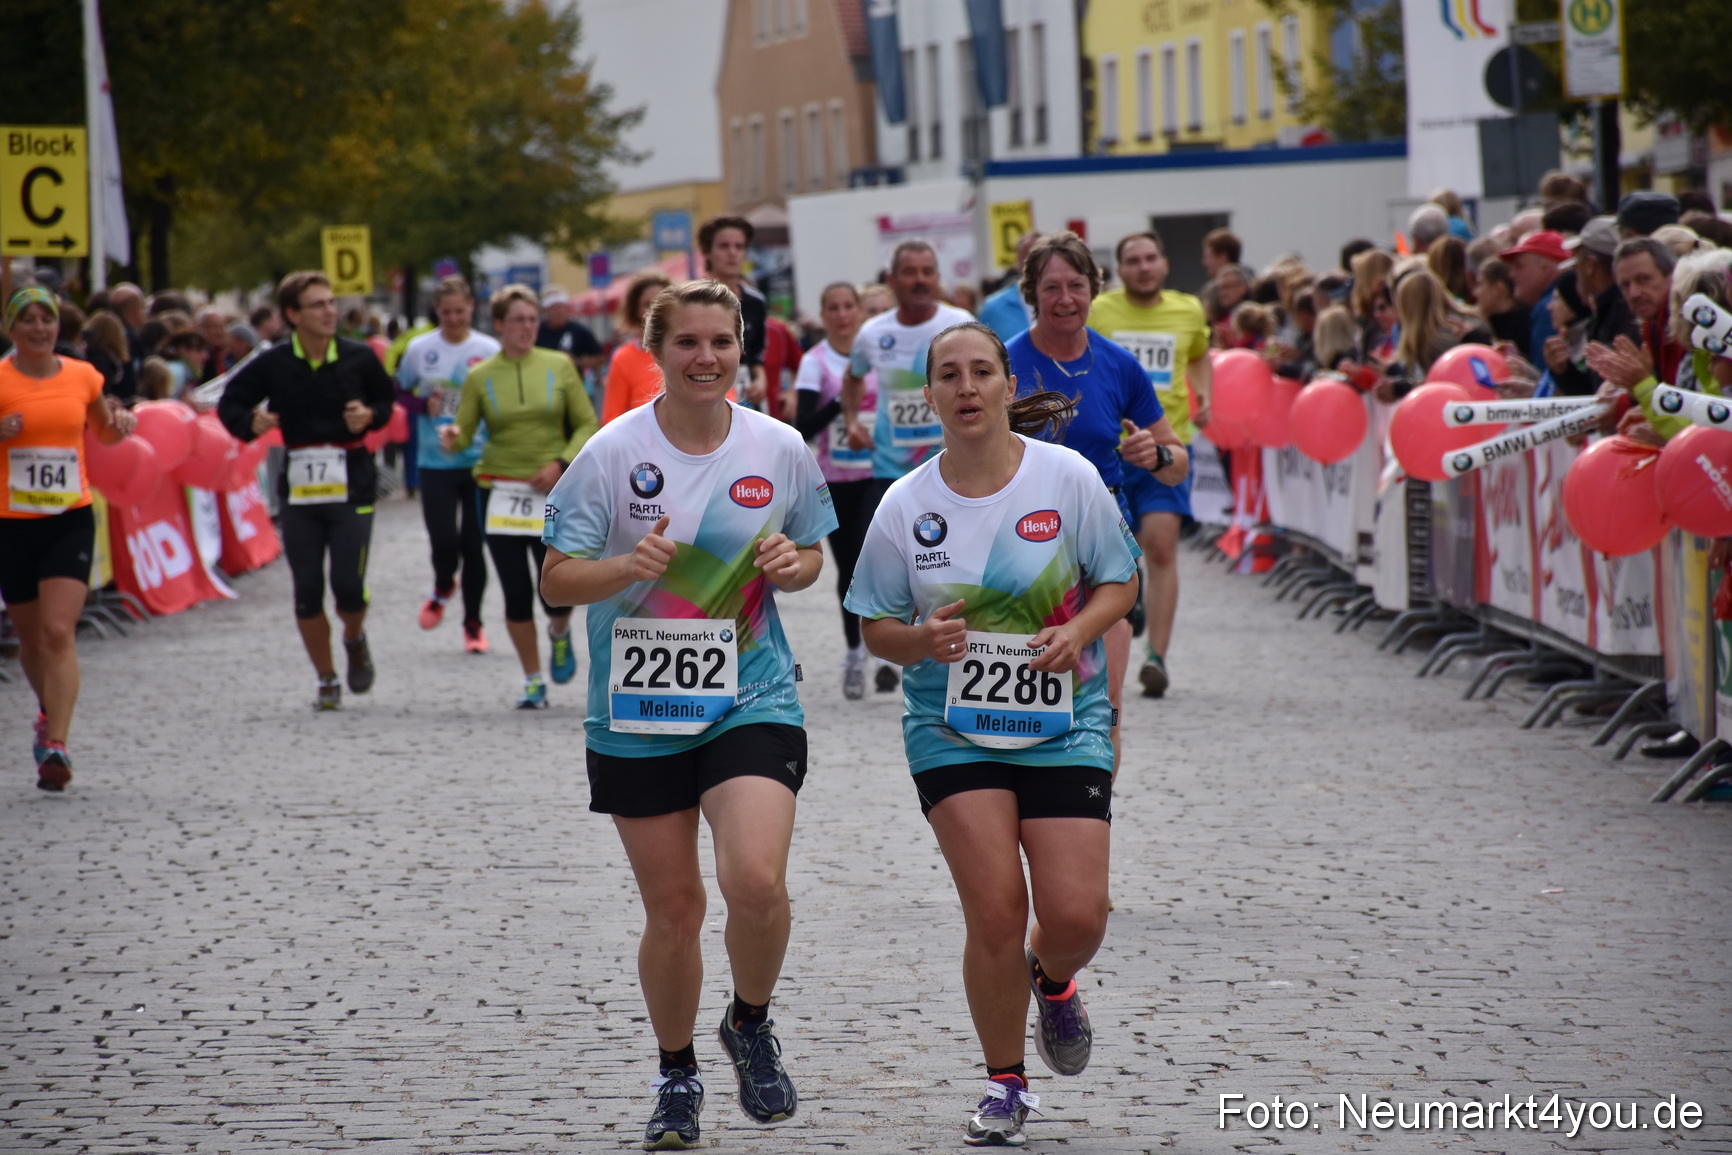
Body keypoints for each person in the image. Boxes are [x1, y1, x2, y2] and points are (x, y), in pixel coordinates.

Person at [539, 279, 836, 1151]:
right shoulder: (610, 452)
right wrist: (627, 561)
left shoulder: (778, 448)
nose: (706, 357)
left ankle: (749, 1020)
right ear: (655, 351)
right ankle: (677, 1073)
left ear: (742, 347)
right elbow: (554, 577)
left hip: (752, 692)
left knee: (756, 882)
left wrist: (793, 562)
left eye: (722, 341)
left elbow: (814, 552)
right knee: (674, 908)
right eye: (687, 343)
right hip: (637, 707)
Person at [845, 320, 1140, 1148]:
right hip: (952, 727)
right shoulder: (906, 503)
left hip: (1063, 717)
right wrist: (920, 640)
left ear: (1009, 384)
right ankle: (1004, 1082)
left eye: (982, 371)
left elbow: (1120, 580)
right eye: (950, 375)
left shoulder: (1067, 477)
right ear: (929, 394)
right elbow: (875, 627)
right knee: (996, 909)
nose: (967, 387)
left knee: (1077, 914)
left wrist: (1080, 630)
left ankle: (1054, 979)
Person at [1008, 232, 1188, 769]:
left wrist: (1152, 454)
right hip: (1023, 541)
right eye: (1052, 287)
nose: (1065, 299)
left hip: (1103, 540)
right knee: (1029, 696)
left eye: (1076, 286)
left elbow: (1178, 460)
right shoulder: (1004, 364)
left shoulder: (1119, 365)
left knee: (1105, 706)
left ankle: (1090, 816)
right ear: (1032, 293)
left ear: (1094, 289)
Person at [218, 272, 394, 709]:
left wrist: (368, 415)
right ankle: (326, 678)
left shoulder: (358, 357)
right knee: (308, 588)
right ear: (292, 315)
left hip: (352, 482)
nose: (330, 311)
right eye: (318, 305)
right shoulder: (274, 363)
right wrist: (249, 423)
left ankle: (354, 639)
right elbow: (230, 402)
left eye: (331, 302)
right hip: (300, 490)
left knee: (349, 586)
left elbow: (387, 402)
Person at [0, 287, 138, 790]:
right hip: (12, 522)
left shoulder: (82, 375)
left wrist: (121, 423)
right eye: (28, 319)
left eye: (47, 319)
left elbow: (102, 431)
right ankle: (45, 711)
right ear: (11, 327)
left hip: (69, 517)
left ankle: (56, 743)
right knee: (32, 640)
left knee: (60, 631)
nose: (39, 328)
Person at [439, 285, 597, 709]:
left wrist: (560, 463)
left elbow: (586, 423)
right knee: (515, 589)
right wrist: (452, 437)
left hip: (553, 491)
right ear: (499, 325)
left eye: (532, 320)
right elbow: (465, 431)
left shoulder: (560, 364)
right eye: (518, 321)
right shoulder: (480, 375)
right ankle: (532, 680)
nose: (527, 328)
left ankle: (559, 633)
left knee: (555, 584)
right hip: (499, 491)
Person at [840, 239, 974, 694]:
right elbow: (853, 375)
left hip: (952, 470)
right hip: (889, 470)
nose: (920, 280)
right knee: (881, 561)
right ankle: (885, 645)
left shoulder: (959, 324)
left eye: (928, 271)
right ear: (891, 280)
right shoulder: (873, 332)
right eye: (910, 272)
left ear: (938, 277)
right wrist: (851, 419)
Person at [1088, 230, 1213, 698]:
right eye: (1132, 260)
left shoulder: (1188, 310)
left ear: (1164, 263)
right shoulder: (1100, 312)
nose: (1142, 267)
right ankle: (1129, 596)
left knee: (1161, 546)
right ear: (1119, 271)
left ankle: (1156, 657)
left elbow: (1200, 355)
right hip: (1112, 450)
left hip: (1166, 446)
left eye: (1150, 258)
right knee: (1120, 551)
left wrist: (1208, 397)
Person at [395, 275, 500, 653]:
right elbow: (399, 392)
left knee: (474, 546)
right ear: (437, 311)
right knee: (443, 542)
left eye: (460, 311)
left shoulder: (488, 348)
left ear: (471, 307)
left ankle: (473, 624)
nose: (454, 318)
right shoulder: (419, 349)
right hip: (433, 460)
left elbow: (498, 397)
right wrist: (424, 406)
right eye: (446, 312)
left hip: (477, 460)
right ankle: (442, 584)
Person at [793, 282, 876, 698]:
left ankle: (892, 646)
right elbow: (802, 427)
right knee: (851, 569)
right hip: (837, 479)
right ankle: (856, 653)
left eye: (849, 306)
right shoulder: (815, 362)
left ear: (861, 311)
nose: (842, 314)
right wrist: (841, 401)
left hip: (886, 474)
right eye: (833, 307)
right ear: (822, 315)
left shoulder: (881, 352)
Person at [698, 215, 768, 406]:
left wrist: (761, 380)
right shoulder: (693, 300)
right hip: (705, 387)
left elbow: (757, 354)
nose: (732, 253)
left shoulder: (756, 301)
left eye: (739, 246)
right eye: (724, 246)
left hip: (746, 394)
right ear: (708, 252)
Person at [601, 270, 674, 424]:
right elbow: (611, 418)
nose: (654, 310)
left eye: (661, 302)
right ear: (634, 311)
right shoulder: (623, 358)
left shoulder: (689, 350)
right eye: (647, 304)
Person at [978, 232, 1041, 343]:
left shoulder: (1062, 302)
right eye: (1027, 256)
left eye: (1039, 256)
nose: (1033, 264)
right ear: (1018, 260)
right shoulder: (993, 307)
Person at [536, 285, 605, 373]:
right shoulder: (536, 331)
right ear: (545, 310)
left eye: (561, 307)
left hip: (572, 382)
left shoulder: (579, 331)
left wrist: (577, 362)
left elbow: (600, 358)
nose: (559, 311)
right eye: (554, 307)